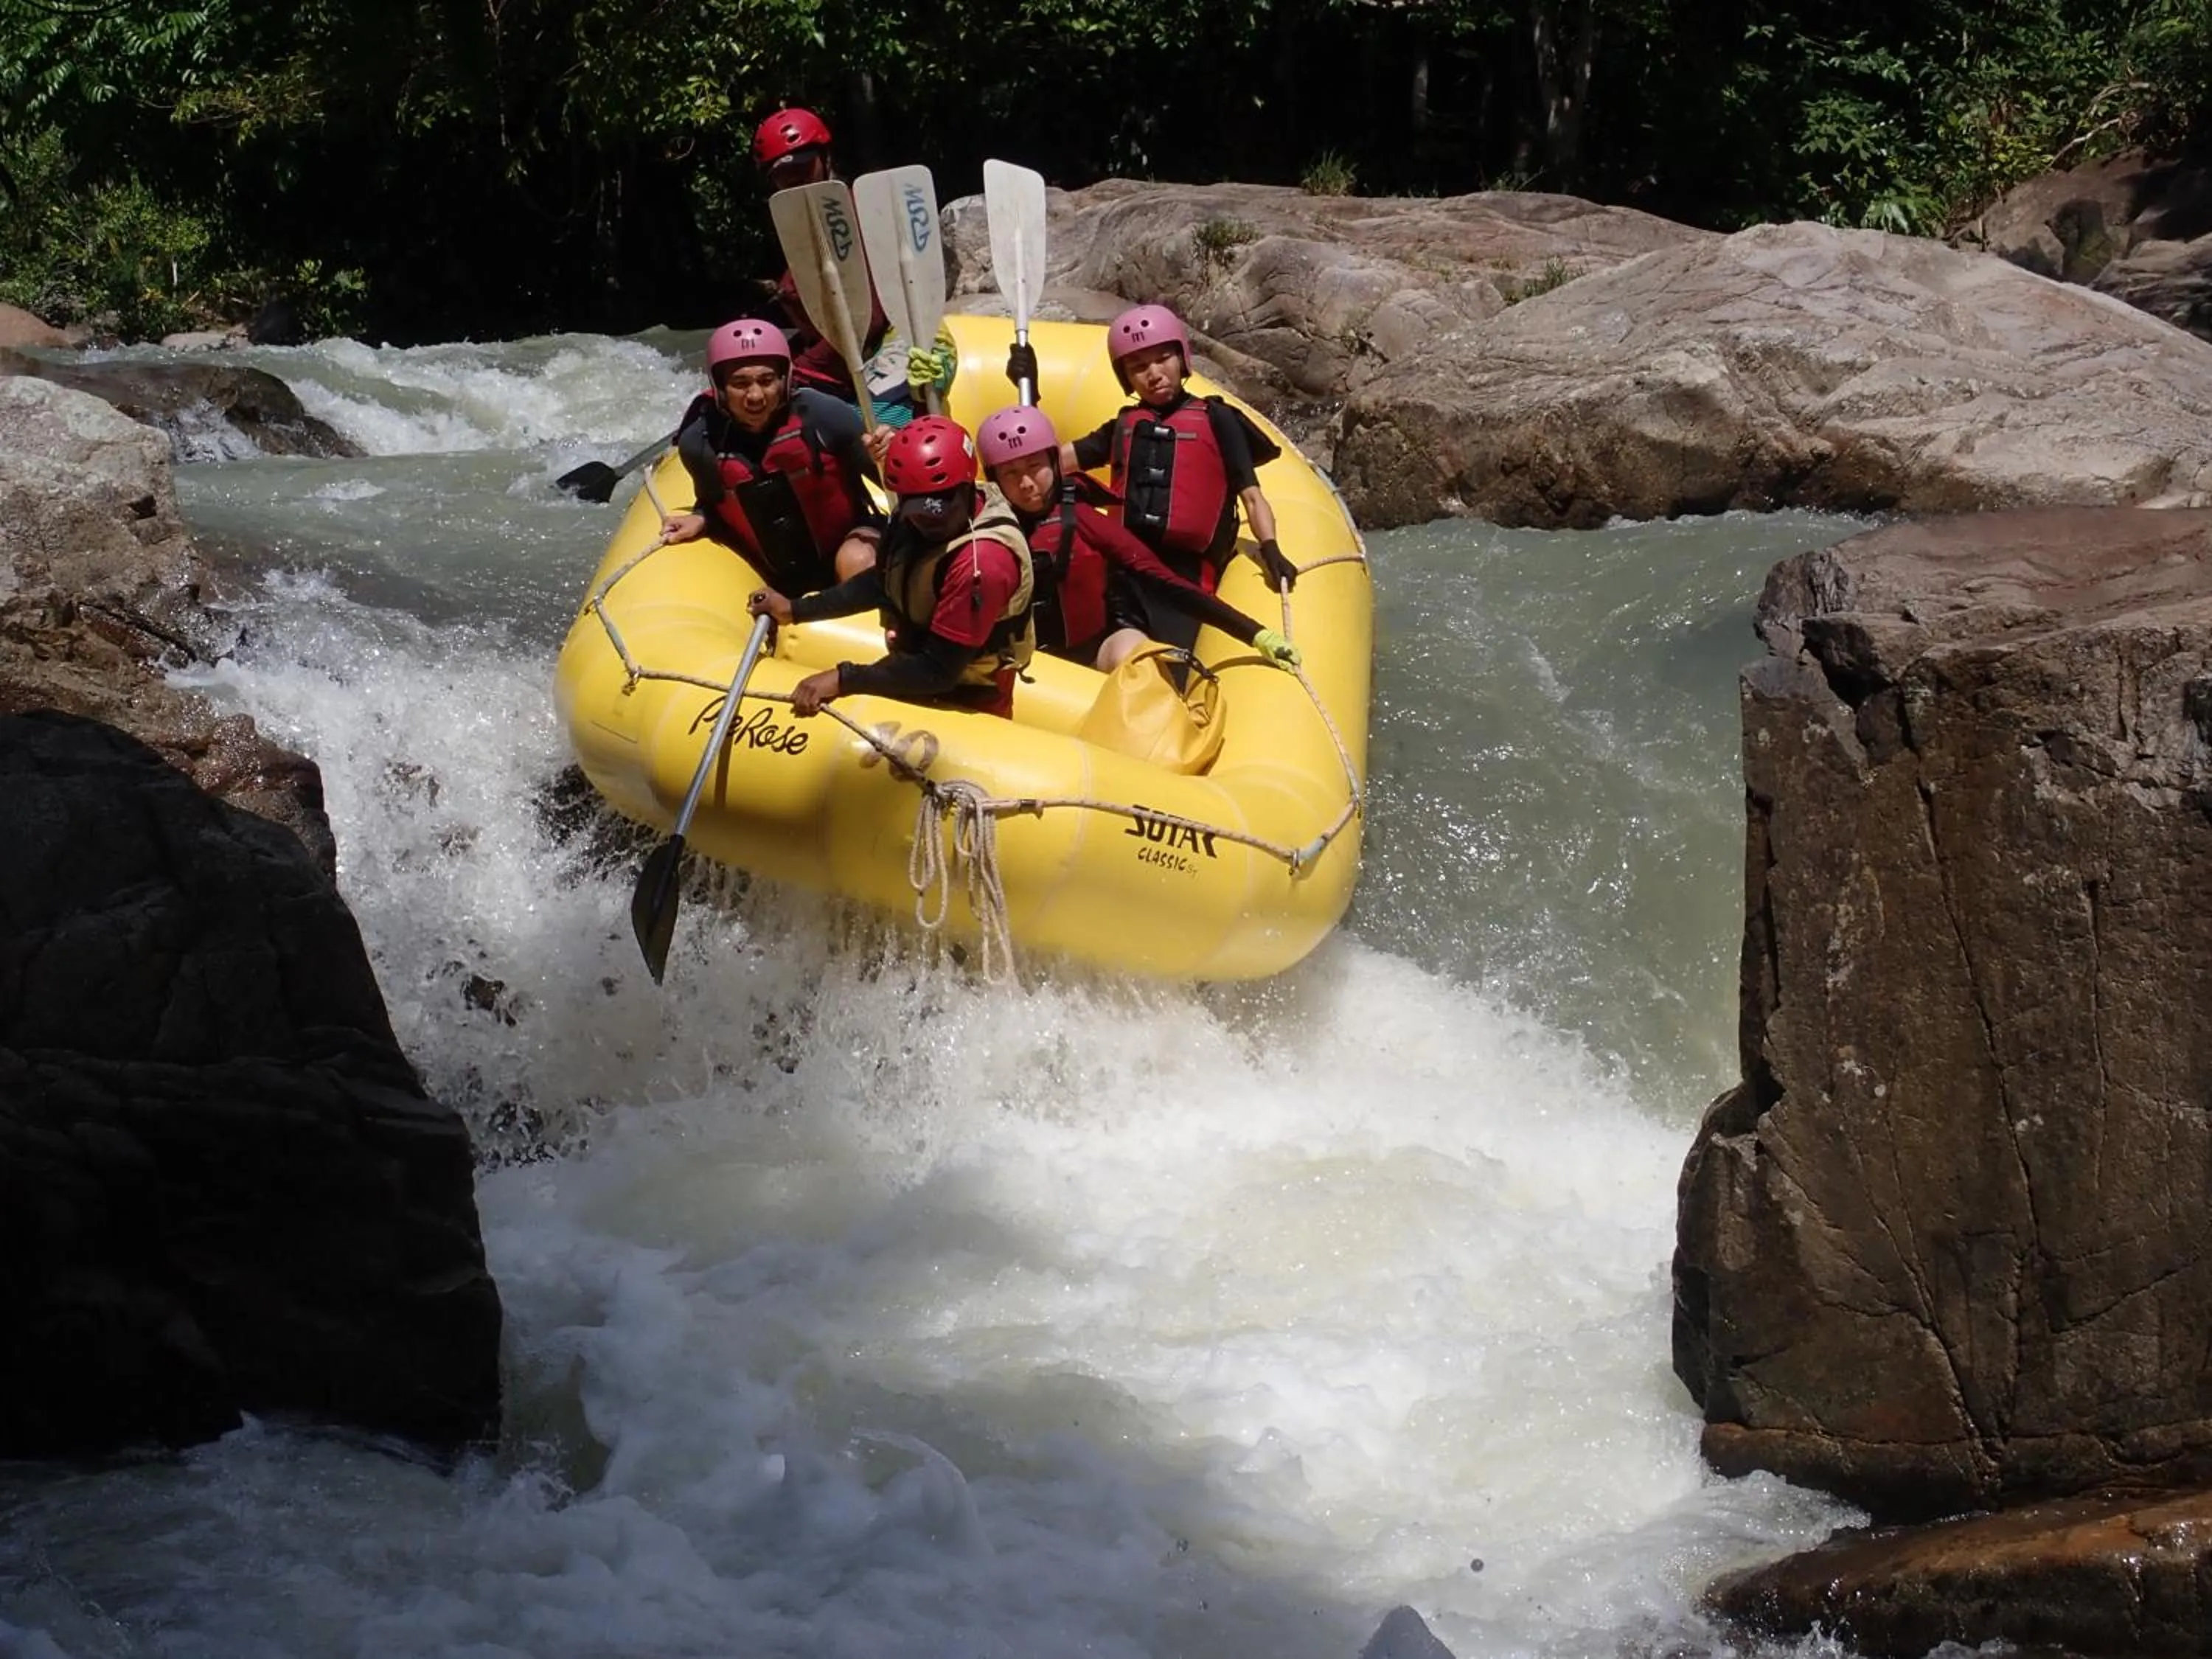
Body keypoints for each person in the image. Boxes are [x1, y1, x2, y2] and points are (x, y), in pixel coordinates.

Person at [974, 403, 1301, 674]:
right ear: (994, 479)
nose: (1027, 483)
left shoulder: (1083, 519)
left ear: (1054, 464)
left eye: (1035, 466)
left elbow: (1162, 579)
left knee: (1136, 655)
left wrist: (1255, 634)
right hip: (1020, 666)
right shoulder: (980, 525)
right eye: (1011, 473)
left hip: (1093, 653)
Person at [1052, 305, 1301, 653]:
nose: (1154, 374)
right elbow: (1050, 462)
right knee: (1123, 651)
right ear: (1126, 377)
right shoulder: (1123, 426)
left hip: (1188, 580)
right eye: (1139, 367)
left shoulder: (1218, 419)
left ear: (1181, 358)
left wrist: (1271, 547)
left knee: (1169, 657)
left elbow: (1252, 496)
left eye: (1163, 359)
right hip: (1126, 574)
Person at [747, 416, 1034, 719]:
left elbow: (939, 670)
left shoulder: (983, 563)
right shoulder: (911, 517)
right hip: (917, 664)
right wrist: (796, 609)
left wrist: (844, 678)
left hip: (970, 694)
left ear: (964, 488)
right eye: (919, 513)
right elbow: (882, 581)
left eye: (938, 512)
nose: (928, 525)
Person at [661, 318, 882, 594]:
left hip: (848, 547)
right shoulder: (699, 442)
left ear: (784, 379)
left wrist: (887, 453)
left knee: (858, 559)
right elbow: (715, 502)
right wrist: (702, 518)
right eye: (739, 384)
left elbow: (893, 482)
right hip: (776, 577)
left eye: (766, 381)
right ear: (719, 387)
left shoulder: (825, 416)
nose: (755, 396)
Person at [751, 107, 910, 425]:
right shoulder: (799, 230)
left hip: (880, 367)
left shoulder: (852, 217)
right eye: (782, 174)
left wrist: (799, 371)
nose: (794, 178)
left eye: (803, 165)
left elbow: (868, 321)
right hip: (837, 366)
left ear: (826, 159)